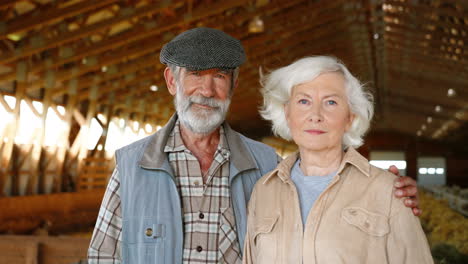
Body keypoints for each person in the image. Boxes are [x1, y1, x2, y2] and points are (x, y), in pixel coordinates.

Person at [87, 28, 420, 264]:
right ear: (172, 81)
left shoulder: (267, 166)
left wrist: (388, 194)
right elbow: (102, 256)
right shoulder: (132, 167)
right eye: (195, 75)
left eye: (219, 76)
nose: (207, 90)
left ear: (233, 85)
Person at [243, 56, 433, 263]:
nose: (315, 115)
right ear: (287, 113)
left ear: (350, 118)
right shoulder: (264, 191)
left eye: (331, 102)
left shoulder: (388, 192)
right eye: (304, 101)